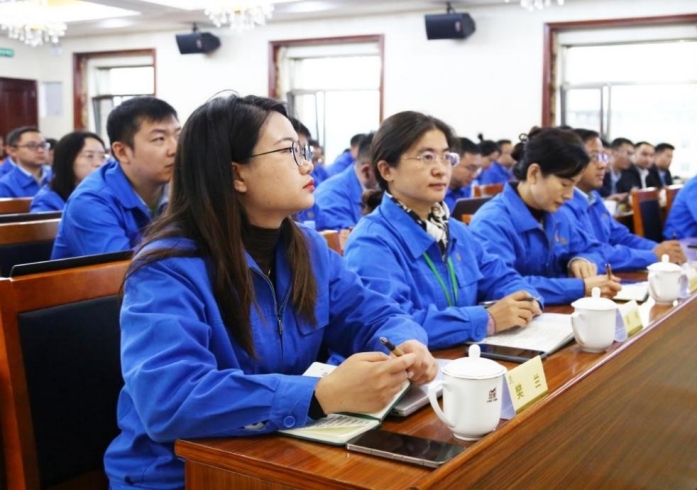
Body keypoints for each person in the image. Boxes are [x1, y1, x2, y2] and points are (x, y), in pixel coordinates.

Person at [103, 94, 437, 490]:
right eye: (288, 151)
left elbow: (374, 314)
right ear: (236, 175)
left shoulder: (307, 248)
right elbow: (170, 399)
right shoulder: (166, 267)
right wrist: (319, 395)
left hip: (278, 455)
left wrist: (407, 343)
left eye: (304, 150)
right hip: (181, 473)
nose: (307, 164)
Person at [343, 111, 541, 349]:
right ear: (387, 170)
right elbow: (389, 328)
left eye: (446, 157)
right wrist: (486, 319)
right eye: (427, 157)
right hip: (417, 367)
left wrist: (526, 299)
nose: (441, 169)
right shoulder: (371, 241)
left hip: (466, 357)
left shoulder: (455, 230)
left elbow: (502, 276)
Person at [470, 127, 621, 305]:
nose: (570, 195)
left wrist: (581, 259)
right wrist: (579, 287)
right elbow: (502, 286)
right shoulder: (492, 222)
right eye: (564, 184)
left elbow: (594, 249)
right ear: (534, 173)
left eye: (574, 185)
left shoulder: (559, 215)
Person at [51, 97, 180, 259]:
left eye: (178, 136)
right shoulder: (89, 202)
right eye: (159, 139)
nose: (175, 149)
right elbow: (124, 270)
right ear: (122, 152)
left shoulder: (179, 185)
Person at [561, 129, 685, 270]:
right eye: (594, 157)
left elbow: (620, 236)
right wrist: (653, 255)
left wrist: (662, 250)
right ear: (571, 161)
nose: (603, 165)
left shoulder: (593, 197)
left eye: (603, 157)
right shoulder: (562, 203)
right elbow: (593, 253)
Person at [313, 133, 377, 231]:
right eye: (385, 172)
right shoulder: (331, 196)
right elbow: (349, 238)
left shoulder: (368, 190)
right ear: (366, 171)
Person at [30, 131, 106, 212]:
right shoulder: (46, 201)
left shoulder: (104, 193)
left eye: (102, 157)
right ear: (67, 159)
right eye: (90, 156)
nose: (99, 163)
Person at [0, 126, 51, 198]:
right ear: (13, 151)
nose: (40, 150)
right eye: (32, 146)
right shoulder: (5, 185)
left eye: (43, 145)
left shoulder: (56, 176)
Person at [444, 137, 481, 211]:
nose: (474, 176)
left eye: (477, 169)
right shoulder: (432, 195)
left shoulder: (467, 190)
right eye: (471, 168)